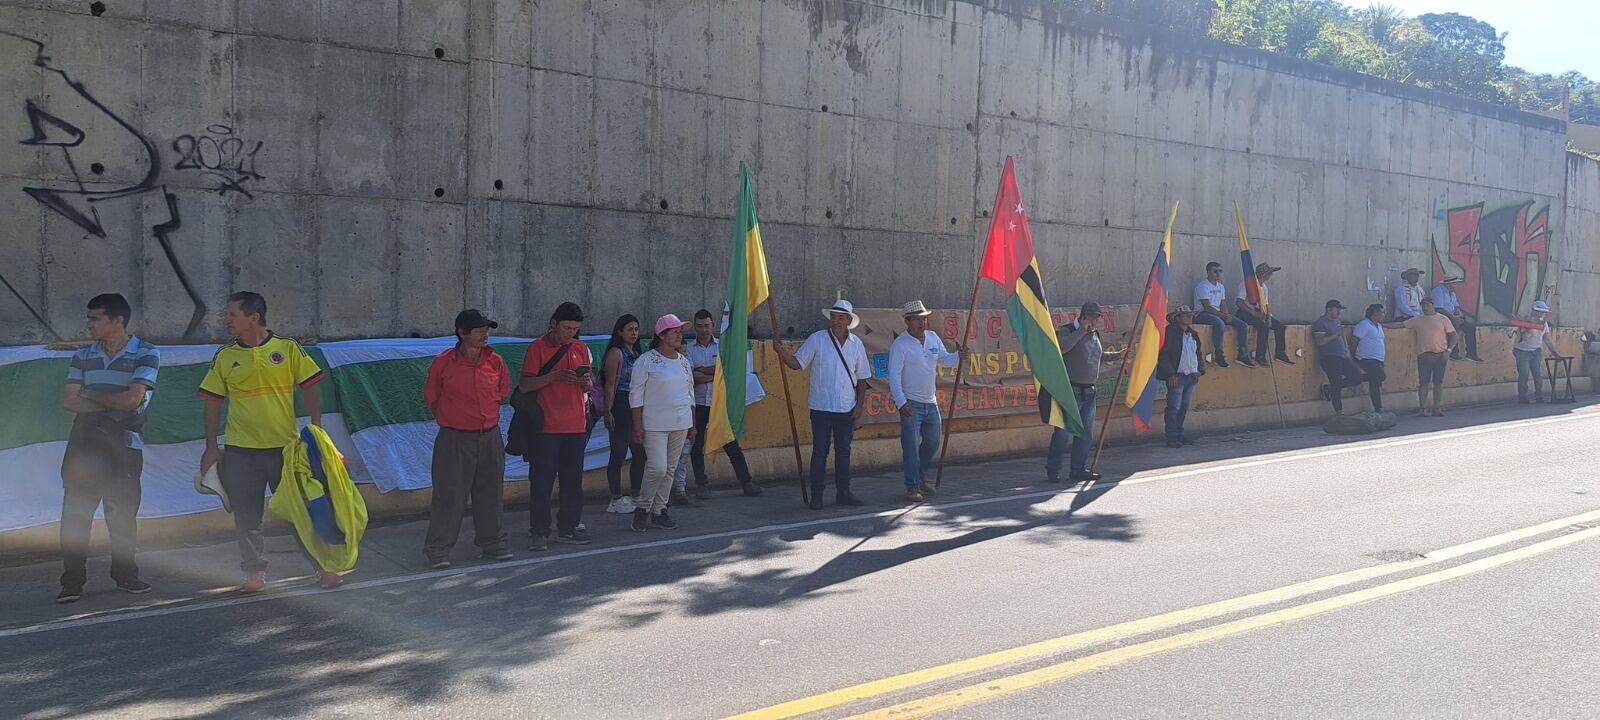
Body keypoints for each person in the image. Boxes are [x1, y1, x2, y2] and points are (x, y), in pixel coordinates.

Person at [198, 291, 336, 592]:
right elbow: (212, 403)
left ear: (253, 318)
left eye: (232, 315)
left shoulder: (288, 349)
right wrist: (211, 447)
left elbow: (311, 387)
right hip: (241, 452)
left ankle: (324, 566)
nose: (226, 321)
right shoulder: (225, 356)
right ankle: (255, 573)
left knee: (301, 512)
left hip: (285, 449)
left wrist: (315, 430)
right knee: (247, 516)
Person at [56, 293, 160, 604]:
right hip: (85, 444)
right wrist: (114, 402)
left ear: (118, 320)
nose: (89, 324)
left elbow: (133, 400)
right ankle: (72, 581)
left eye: (95, 318)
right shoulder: (83, 355)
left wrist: (91, 395)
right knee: (75, 516)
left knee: (122, 515)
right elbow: (69, 401)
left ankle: (125, 574)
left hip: (123, 445)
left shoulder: (147, 352)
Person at [421, 309, 513, 570]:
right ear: (462, 333)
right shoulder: (444, 363)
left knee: (491, 492)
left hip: (490, 436)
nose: (485, 334)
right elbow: (432, 396)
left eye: (487, 329)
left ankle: (492, 543)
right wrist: (454, 418)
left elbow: (503, 391)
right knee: (449, 495)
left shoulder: (496, 361)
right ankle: (438, 550)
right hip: (455, 438)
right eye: (479, 330)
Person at [774, 298, 872, 510]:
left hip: (846, 407)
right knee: (820, 452)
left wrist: (859, 406)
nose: (836, 321)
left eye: (841, 318)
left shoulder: (857, 344)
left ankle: (843, 492)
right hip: (821, 407)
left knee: (844, 452)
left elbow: (863, 378)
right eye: (834, 317)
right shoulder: (817, 339)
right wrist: (783, 353)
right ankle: (817, 495)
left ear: (848, 321)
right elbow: (797, 363)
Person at [519, 302, 594, 549]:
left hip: (576, 427)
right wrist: (552, 377)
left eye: (574, 329)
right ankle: (539, 532)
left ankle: (569, 528)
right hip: (546, 429)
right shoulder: (537, 348)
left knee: (573, 484)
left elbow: (589, 387)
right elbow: (525, 385)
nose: (570, 333)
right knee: (541, 484)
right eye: (566, 328)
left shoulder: (581, 348)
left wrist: (586, 382)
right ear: (553, 324)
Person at [888, 300, 963, 501]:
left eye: (924, 319)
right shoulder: (900, 345)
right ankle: (912, 486)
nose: (923, 323)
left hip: (931, 401)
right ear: (907, 321)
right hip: (910, 402)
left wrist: (959, 355)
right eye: (918, 319)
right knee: (911, 446)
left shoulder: (933, 337)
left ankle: (919, 477)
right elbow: (894, 375)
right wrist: (901, 402)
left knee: (933, 441)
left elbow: (946, 360)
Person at [684, 309, 762, 499]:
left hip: (719, 403)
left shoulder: (723, 346)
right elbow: (690, 377)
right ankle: (702, 485)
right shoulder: (688, 349)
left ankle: (746, 482)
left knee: (730, 442)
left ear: (713, 326)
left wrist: (703, 370)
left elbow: (728, 371)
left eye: (707, 326)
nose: (703, 330)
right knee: (697, 445)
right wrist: (716, 373)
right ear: (695, 328)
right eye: (700, 326)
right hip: (698, 404)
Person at [628, 314, 696, 532]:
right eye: (675, 332)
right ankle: (643, 507)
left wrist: (692, 424)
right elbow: (635, 395)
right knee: (657, 468)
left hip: (681, 423)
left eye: (680, 332)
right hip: (654, 424)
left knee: (670, 469)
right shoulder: (646, 361)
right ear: (662, 335)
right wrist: (637, 427)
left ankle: (660, 510)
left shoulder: (683, 361)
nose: (679, 336)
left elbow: (690, 393)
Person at [1046, 302, 1121, 484]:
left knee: (1085, 433)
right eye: (1095, 317)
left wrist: (1118, 355)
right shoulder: (1068, 330)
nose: (1097, 321)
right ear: (1085, 317)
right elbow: (1061, 349)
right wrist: (1080, 332)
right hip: (1070, 390)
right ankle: (1053, 468)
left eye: (1099, 318)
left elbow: (1098, 356)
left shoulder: (1094, 334)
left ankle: (1078, 468)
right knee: (1063, 432)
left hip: (1089, 390)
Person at [599, 314, 646, 514]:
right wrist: (607, 411)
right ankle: (616, 498)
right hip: (620, 403)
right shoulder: (616, 353)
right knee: (618, 452)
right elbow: (610, 385)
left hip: (637, 405)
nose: (634, 333)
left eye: (636, 329)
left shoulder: (638, 353)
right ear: (620, 332)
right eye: (629, 330)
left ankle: (636, 494)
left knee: (640, 452)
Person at [1156, 305, 1206, 449]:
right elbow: (1164, 355)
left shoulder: (1193, 334)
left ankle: (1179, 433)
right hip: (1177, 376)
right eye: (1186, 315)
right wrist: (1170, 374)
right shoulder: (1170, 333)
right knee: (1174, 407)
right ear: (1177, 318)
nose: (1189, 317)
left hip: (1191, 375)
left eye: (1190, 315)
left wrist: (1200, 369)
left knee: (1183, 407)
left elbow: (1198, 354)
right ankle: (1172, 436)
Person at [1193, 261, 1253, 368]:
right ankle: (1218, 355)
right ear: (1208, 272)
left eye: (1220, 271)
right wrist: (1222, 316)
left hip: (1218, 313)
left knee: (1243, 325)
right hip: (1202, 314)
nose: (1218, 273)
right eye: (1215, 271)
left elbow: (1223, 304)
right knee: (1219, 323)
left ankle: (1242, 355)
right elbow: (1207, 307)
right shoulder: (1203, 286)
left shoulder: (1221, 287)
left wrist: (1227, 315)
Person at [1404, 297, 1457, 417]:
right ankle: (1422, 408)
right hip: (1424, 355)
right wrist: (1382, 325)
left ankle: (1436, 408)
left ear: (1433, 305)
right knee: (1423, 382)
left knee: (1438, 382)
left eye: (1427, 305)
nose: (1425, 307)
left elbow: (1453, 335)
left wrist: (1449, 350)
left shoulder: (1443, 319)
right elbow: (1401, 324)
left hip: (1440, 355)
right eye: (1423, 305)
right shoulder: (1417, 320)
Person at [1311, 300, 1366, 416]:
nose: (1339, 313)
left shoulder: (1337, 322)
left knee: (1357, 377)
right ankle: (1339, 412)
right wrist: (1336, 335)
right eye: (1337, 310)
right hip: (1329, 357)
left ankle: (1330, 388)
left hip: (1342, 356)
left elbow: (1343, 337)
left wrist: (1347, 352)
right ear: (1329, 310)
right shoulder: (1320, 323)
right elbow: (1320, 342)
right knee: (1335, 381)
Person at [1233, 263, 1293, 366]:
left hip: (1259, 312)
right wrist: (1254, 313)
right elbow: (1239, 302)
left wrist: (1268, 316)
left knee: (1280, 327)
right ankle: (1260, 357)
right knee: (1263, 327)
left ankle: (1280, 354)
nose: (1271, 275)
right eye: (1270, 273)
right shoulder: (1247, 284)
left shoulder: (1264, 287)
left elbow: (1265, 304)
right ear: (1264, 275)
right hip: (1245, 313)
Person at [1350, 304, 1402, 413]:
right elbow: (1354, 341)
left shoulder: (1378, 326)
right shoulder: (1364, 325)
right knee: (1380, 376)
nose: (1384, 315)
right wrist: (1353, 356)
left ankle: (1378, 407)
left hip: (1378, 359)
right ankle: (1378, 406)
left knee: (1375, 382)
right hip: (1366, 358)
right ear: (1375, 314)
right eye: (1382, 313)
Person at [1512, 300, 1563, 404]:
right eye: (1540, 311)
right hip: (1522, 351)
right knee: (1524, 373)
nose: (1541, 313)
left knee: (1538, 374)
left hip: (1536, 351)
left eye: (1543, 312)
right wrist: (1526, 328)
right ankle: (1523, 397)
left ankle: (1539, 396)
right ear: (1534, 311)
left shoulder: (1543, 324)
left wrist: (1555, 354)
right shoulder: (1525, 321)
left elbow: (1547, 339)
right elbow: (1521, 332)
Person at [1431, 275, 1482, 362]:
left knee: (1470, 327)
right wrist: (1453, 317)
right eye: (1455, 284)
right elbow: (1438, 309)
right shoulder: (1438, 291)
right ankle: (1454, 353)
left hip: (1452, 317)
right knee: (1454, 325)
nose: (1457, 286)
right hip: (1441, 317)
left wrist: (1458, 315)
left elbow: (1456, 306)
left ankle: (1471, 354)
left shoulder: (1452, 293)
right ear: (1449, 284)